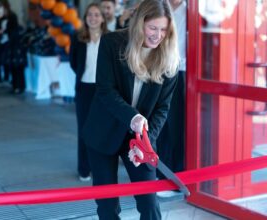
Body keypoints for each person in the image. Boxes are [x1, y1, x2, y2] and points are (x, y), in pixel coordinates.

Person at [81, 0, 179, 219]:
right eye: (153, 28)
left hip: (139, 137)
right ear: (139, 24)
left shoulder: (170, 58)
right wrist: (132, 117)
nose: (158, 35)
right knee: (107, 206)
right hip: (103, 131)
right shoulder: (111, 43)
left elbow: (162, 109)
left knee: (149, 204)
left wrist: (146, 143)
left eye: (163, 29)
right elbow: (105, 90)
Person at [69, 3, 108, 182]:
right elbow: (73, 63)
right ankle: (84, 168)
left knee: (102, 130)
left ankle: (99, 167)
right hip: (84, 88)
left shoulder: (109, 38)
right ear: (85, 18)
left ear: (102, 18)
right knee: (84, 130)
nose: (93, 18)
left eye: (96, 15)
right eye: (89, 15)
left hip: (103, 90)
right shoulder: (78, 38)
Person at [156, 0, 186, 198]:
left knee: (177, 127)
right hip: (158, 69)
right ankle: (161, 175)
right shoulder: (159, 6)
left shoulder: (192, 9)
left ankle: (177, 178)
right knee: (159, 125)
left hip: (182, 71)